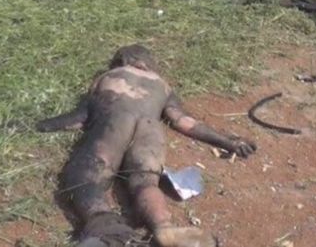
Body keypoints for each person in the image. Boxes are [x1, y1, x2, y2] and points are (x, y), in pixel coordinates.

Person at [36, 44, 256, 247]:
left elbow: (80, 116)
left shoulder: (110, 76)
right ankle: (164, 228)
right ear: (149, 63)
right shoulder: (161, 84)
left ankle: (105, 227)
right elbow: (184, 122)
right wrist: (228, 141)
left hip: (113, 124)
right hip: (150, 130)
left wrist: (43, 125)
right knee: (145, 181)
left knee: (86, 174)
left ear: (121, 61)